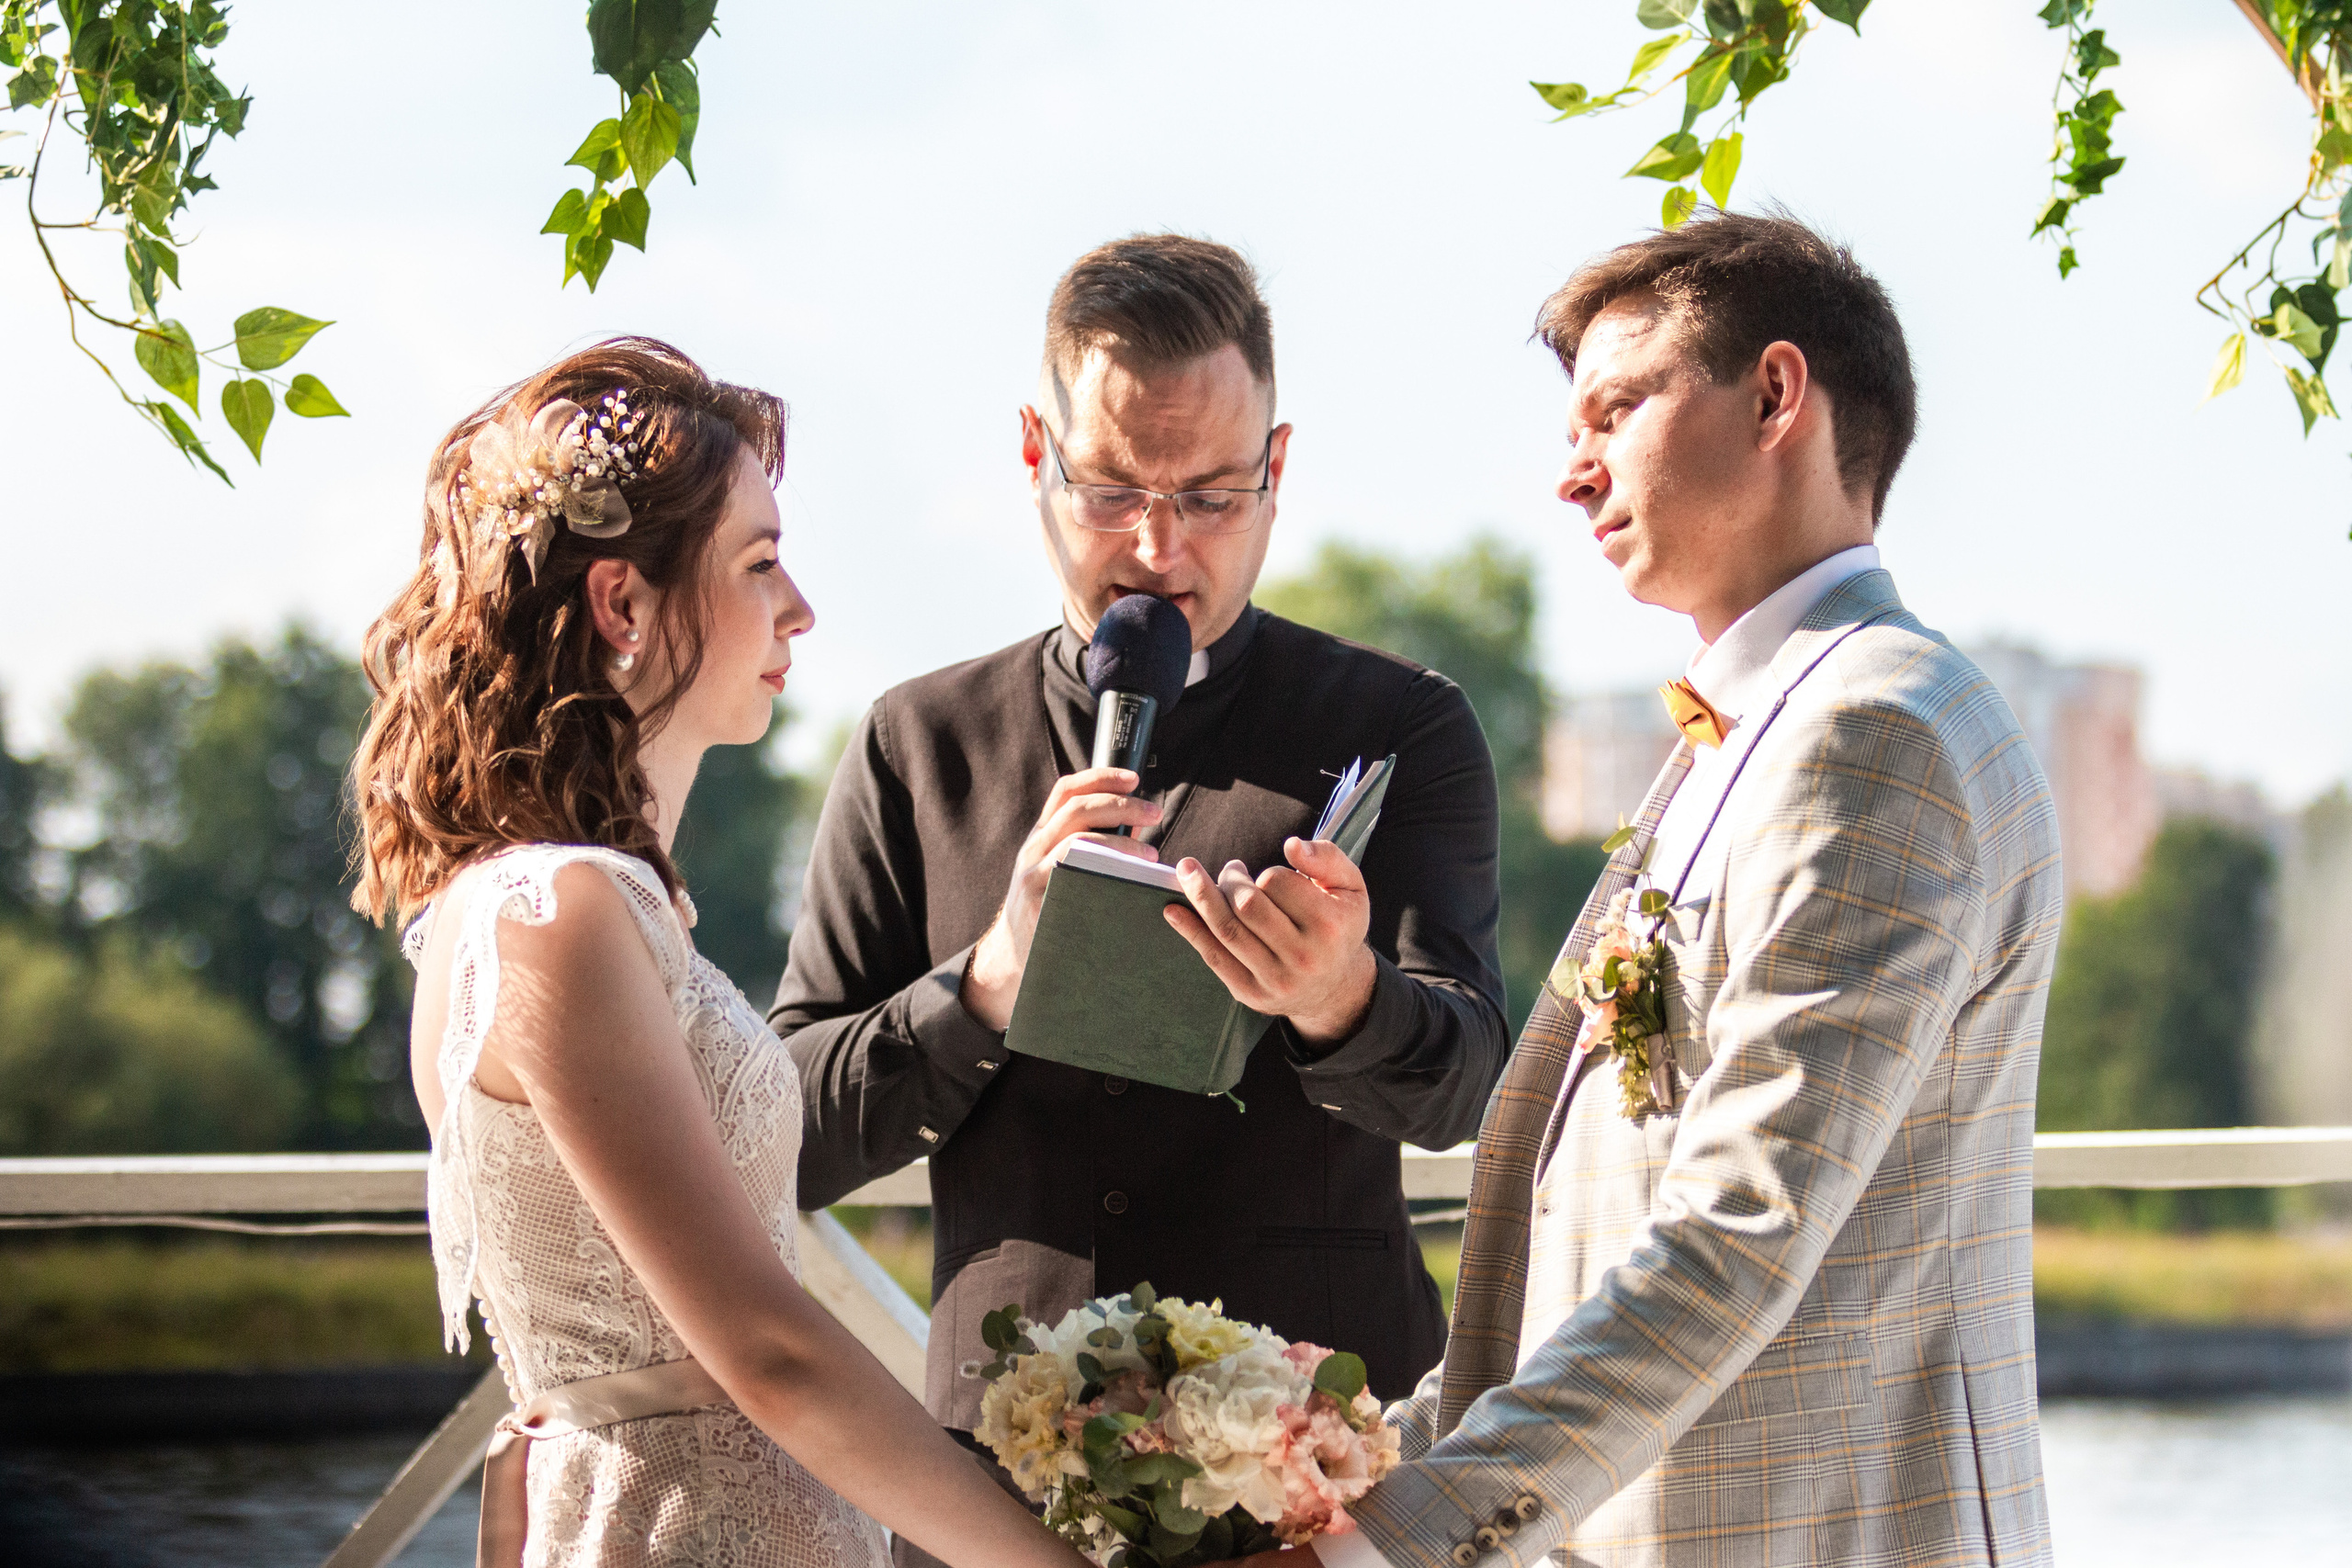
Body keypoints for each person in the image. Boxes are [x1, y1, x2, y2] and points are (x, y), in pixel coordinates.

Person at [1299, 213, 2064, 1568]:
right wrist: (1357, 1467)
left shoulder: (1876, 730)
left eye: (1617, 409)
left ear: (1775, 395)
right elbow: (1606, 1215)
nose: (1571, 474)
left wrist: (1385, 1549)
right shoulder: (1757, 727)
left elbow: (1740, 1226)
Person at [772, 234, 1511, 1551]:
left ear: (1279, 470)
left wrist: (1342, 998)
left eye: (1213, 498)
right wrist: (987, 980)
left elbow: (1468, 1094)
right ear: (1033, 453)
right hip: (998, 1494)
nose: (1159, 549)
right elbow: (789, 1134)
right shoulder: (916, 741)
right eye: (1111, 490)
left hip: (1320, 1494)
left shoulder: (1405, 725)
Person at [352, 338, 1093, 1568]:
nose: (799, 607)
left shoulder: (564, 905)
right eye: (758, 562)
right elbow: (769, 1349)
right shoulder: (553, 914)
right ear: (624, 604)